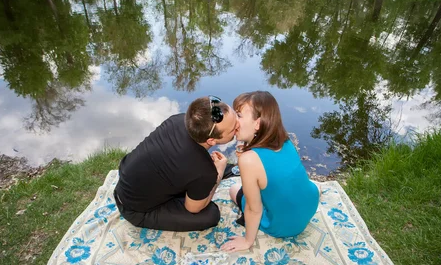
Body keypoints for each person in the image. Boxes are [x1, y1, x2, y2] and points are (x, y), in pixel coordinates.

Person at [114, 96, 238, 231]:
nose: (238, 125)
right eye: (232, 129)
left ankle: (230, 171)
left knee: (199, 178)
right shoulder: (204, 171)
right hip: (135, 209)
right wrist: (218, 174)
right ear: (211, 141)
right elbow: (194, 209)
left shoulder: (178, 119)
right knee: (211, 214)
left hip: (127, 182)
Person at [221, 91, 320, 253]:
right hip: (309, 205)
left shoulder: (248, 159)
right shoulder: (285, 140)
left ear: (257, 124)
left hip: (286, 226)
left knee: (234, 190)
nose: (234, 120)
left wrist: (247, 241)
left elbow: (254, 209)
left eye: (238, 115)